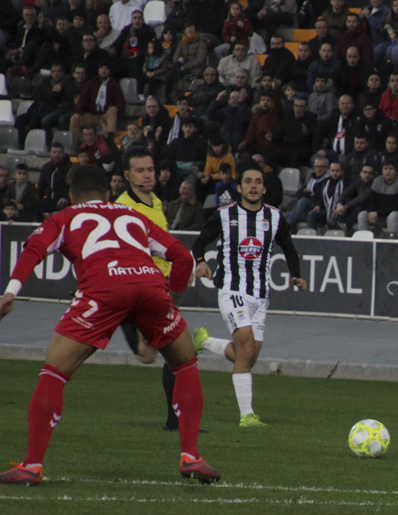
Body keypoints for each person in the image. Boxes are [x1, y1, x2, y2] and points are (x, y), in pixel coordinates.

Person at [0, 166, 220, 486]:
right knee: (185, 364)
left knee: (54, 372)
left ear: (72, 196)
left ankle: (32, 465)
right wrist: (170, 295)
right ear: (107, 194)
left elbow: (33, 250)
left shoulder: (64, 217)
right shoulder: (132, 214)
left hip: (103, 292)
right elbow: (181, 255)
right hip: (149, 288)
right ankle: (191, 456)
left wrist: (10, 292)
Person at [191, 163, 308, 428]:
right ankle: (247, 416)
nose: (253, 186)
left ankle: (205, 342)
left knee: (248, 357)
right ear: (240, 187)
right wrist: (200, 260)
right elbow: (200, 241)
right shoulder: (224, 215)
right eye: (248, 182)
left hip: (261, 295)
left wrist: (296, 274)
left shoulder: (275, 217)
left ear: (264, 188)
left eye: (258, 182)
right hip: (232, 289)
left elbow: (288, 247)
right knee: (245, 350)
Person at [113, 146, 193, 431]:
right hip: (141, 287)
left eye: (150, 170)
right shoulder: (123, 207)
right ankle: (125, 321)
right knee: (161, 353)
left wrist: (180, 269)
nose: (147, 176)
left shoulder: (156, 201)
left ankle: (175, 421)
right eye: (140, 171)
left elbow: (161, 243)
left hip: (163, 286)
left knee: (173, 354)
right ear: (127, 175)